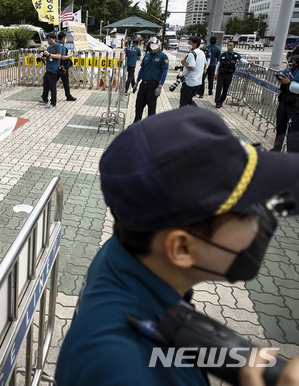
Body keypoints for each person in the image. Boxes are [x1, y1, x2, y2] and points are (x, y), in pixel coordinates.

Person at [56, 106, 299, 386]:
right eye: (248, 210)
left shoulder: (124, 254)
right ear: (181, 248)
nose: (267, 217)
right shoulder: (130, 372)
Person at [133, 37, 169, 122]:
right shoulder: (147, 55)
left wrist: (160, 86)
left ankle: (150, 126)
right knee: (139, 105)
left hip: (153, 85)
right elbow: (142, 69)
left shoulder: (163, 56)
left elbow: (164, 72)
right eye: (151, 43)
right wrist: (137, 82)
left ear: (159, 44)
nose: (152, 44)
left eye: (154, 43)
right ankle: (136, 123)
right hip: (143, 84)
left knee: (151, 107)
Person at [272, 59, 299, 152]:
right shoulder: (294, 69)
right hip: (284, 102)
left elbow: (294, 88)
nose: (296, 59)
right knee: (280, 128)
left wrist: (289, 83)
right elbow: (286, 88)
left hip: (294, 107)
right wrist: (282, 83)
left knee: (292, 133)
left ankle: (291, 155)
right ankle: (276, 149)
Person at [214, 40, 251, 108]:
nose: (229, 47)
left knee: (225, 89)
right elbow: (218, 64)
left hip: (229, 74)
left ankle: (221, 100)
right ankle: (217, 102)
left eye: (231, 45)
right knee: (219, 88)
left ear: (234, 46)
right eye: (228, 45)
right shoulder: (223, 55)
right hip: (221, 74)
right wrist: (216, 73)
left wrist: (248, 63)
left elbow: (242, 60)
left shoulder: (236, 55)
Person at [37, 33, 66, 109]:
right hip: (48, 68)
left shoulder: (57, 46)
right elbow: (49, 58)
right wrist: (44, 58)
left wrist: (49, 54)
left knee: (52, 87)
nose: (49, 40)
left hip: (54, 69)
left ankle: (53, 103)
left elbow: (59, 56)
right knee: (45, 85)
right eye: (48, 39)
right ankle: (44, 99)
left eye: (50, 39)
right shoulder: (49, 47)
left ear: (54, 39)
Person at [179, 36, 206, 107]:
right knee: (189, 100)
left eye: (189, 43)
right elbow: (205, 64)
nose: (188, 44)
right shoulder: (202, 53)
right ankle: (197, 114)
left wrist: (184, 64)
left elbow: (192, 67)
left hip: (189, 82)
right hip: (198, 81)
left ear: (195, 44)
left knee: (183, 102)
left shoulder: (192, 54)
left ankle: (182, 116)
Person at [56, 32, 77, 102]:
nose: (66, 39)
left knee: (53, 81)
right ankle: (68, 96)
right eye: (65, 37)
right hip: (63, 67)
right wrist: (70, 55)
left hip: (58, 66)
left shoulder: (57, 45)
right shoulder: (61, 46)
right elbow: (62, 57)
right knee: (65, 82)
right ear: (63, 38)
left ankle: (45, 95)